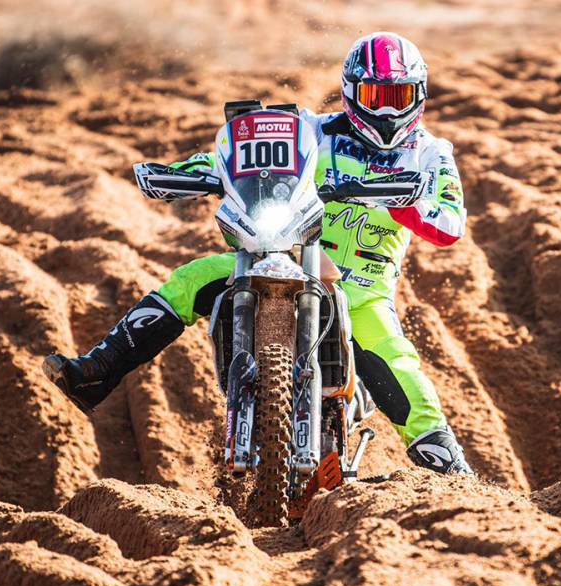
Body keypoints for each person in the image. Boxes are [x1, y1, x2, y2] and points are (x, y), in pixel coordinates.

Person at [43, 32, 473, 475]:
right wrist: (188, 173)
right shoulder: (312, 130)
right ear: (351, 92)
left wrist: (402, 201)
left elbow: (450, 224)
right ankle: (97, 371)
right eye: (375, 96)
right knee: (193, 278)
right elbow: (239, 159)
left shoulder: (430, 154)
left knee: (402, 368)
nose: (386, 111)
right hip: (288, 253)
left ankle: (454, 475)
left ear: (419, 94)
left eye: (398, 97)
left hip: (363, 289)